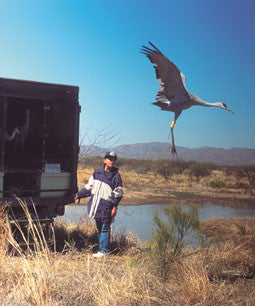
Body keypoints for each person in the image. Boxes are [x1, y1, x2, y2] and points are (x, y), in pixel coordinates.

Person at [75, 151, 123, 258]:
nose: (112, 161)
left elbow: (118, 194)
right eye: (110, 159)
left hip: (107, 207)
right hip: (96, 206)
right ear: (104, 160)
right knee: (100, 228)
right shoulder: (97, 173)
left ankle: (104, 251)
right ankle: (102, 249)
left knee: (105, 228)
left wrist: (114, 207)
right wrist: (78, 195)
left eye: (114, 160)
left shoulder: (116, 176)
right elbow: (88, 188)